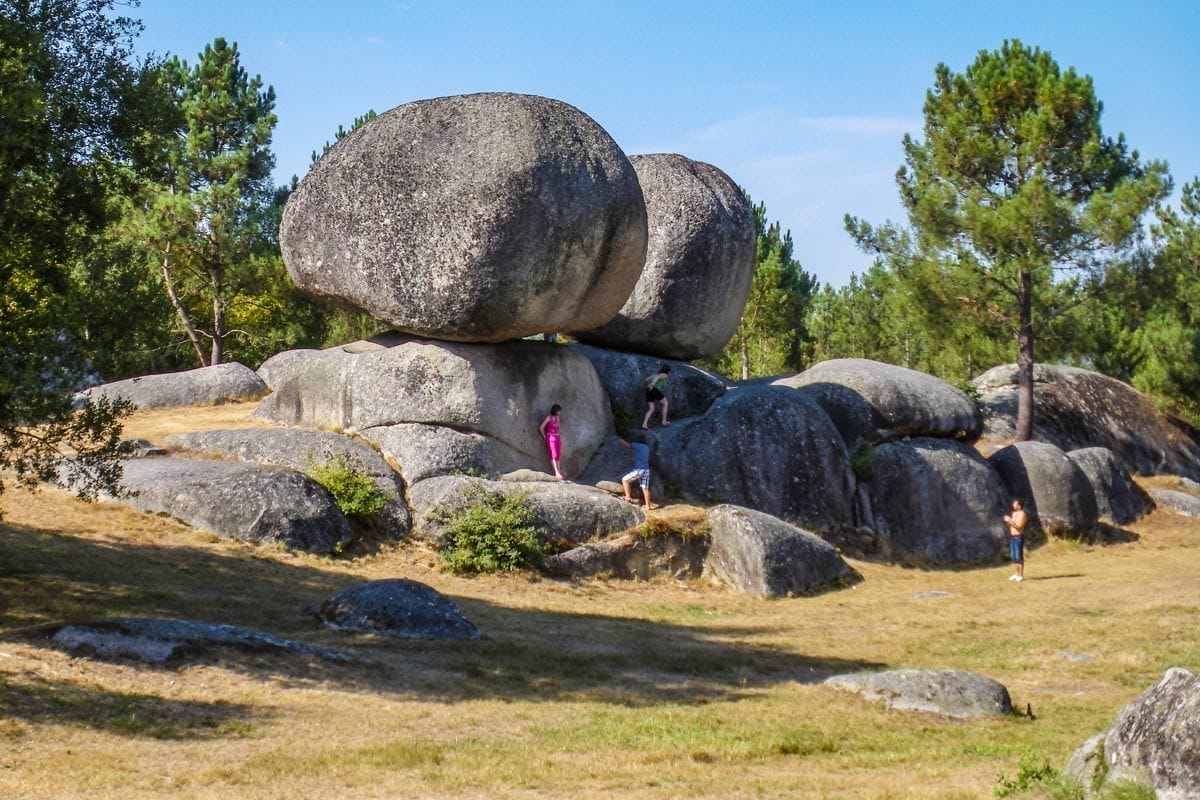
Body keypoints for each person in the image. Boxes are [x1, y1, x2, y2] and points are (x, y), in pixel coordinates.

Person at [620, 437, 656, 510]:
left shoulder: (638, 445)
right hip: (646, 470)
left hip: (639, 470)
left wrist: (619, 440)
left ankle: (628, 497)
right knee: (645, 488)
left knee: (625, 480)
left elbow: (627, 445)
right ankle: (648, 506)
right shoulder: (647, 448)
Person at [1003, 498, 1028, 582]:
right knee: (1013, 556)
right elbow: (1010, 526)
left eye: (1015, 504)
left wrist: (1010, 521)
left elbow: (1019, 526)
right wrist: (1006, 521)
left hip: (1019, 537)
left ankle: (1021, 575)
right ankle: (1016, 574)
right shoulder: (1013, 514)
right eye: (1013, 503)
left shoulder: (1023, 514)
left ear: (1019, 506)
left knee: (1019, 556)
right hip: (1012, 537)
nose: (1013, 505)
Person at [539, 404, 565, 480]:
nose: (559, 412)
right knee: (553, 455)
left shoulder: (557, 418)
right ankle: (556, 472)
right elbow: (541, 428)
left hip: (557, 437)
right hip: (550, 438)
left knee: (558, 455)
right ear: (555, 410)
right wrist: (545, 437)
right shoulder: (548, 418)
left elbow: (558, 427)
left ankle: (560, 472)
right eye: (558, 411)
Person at [642, 364, 671, 429]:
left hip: (648, 390)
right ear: (668, 371)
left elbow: (646, 380)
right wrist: (652, 385)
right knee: (665, 403)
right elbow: (658, 377)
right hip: (654, 389)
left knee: (651, 408)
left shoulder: (655, 374)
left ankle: (644, 424)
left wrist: (650, 384)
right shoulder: (664, 375)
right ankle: (664, 421)